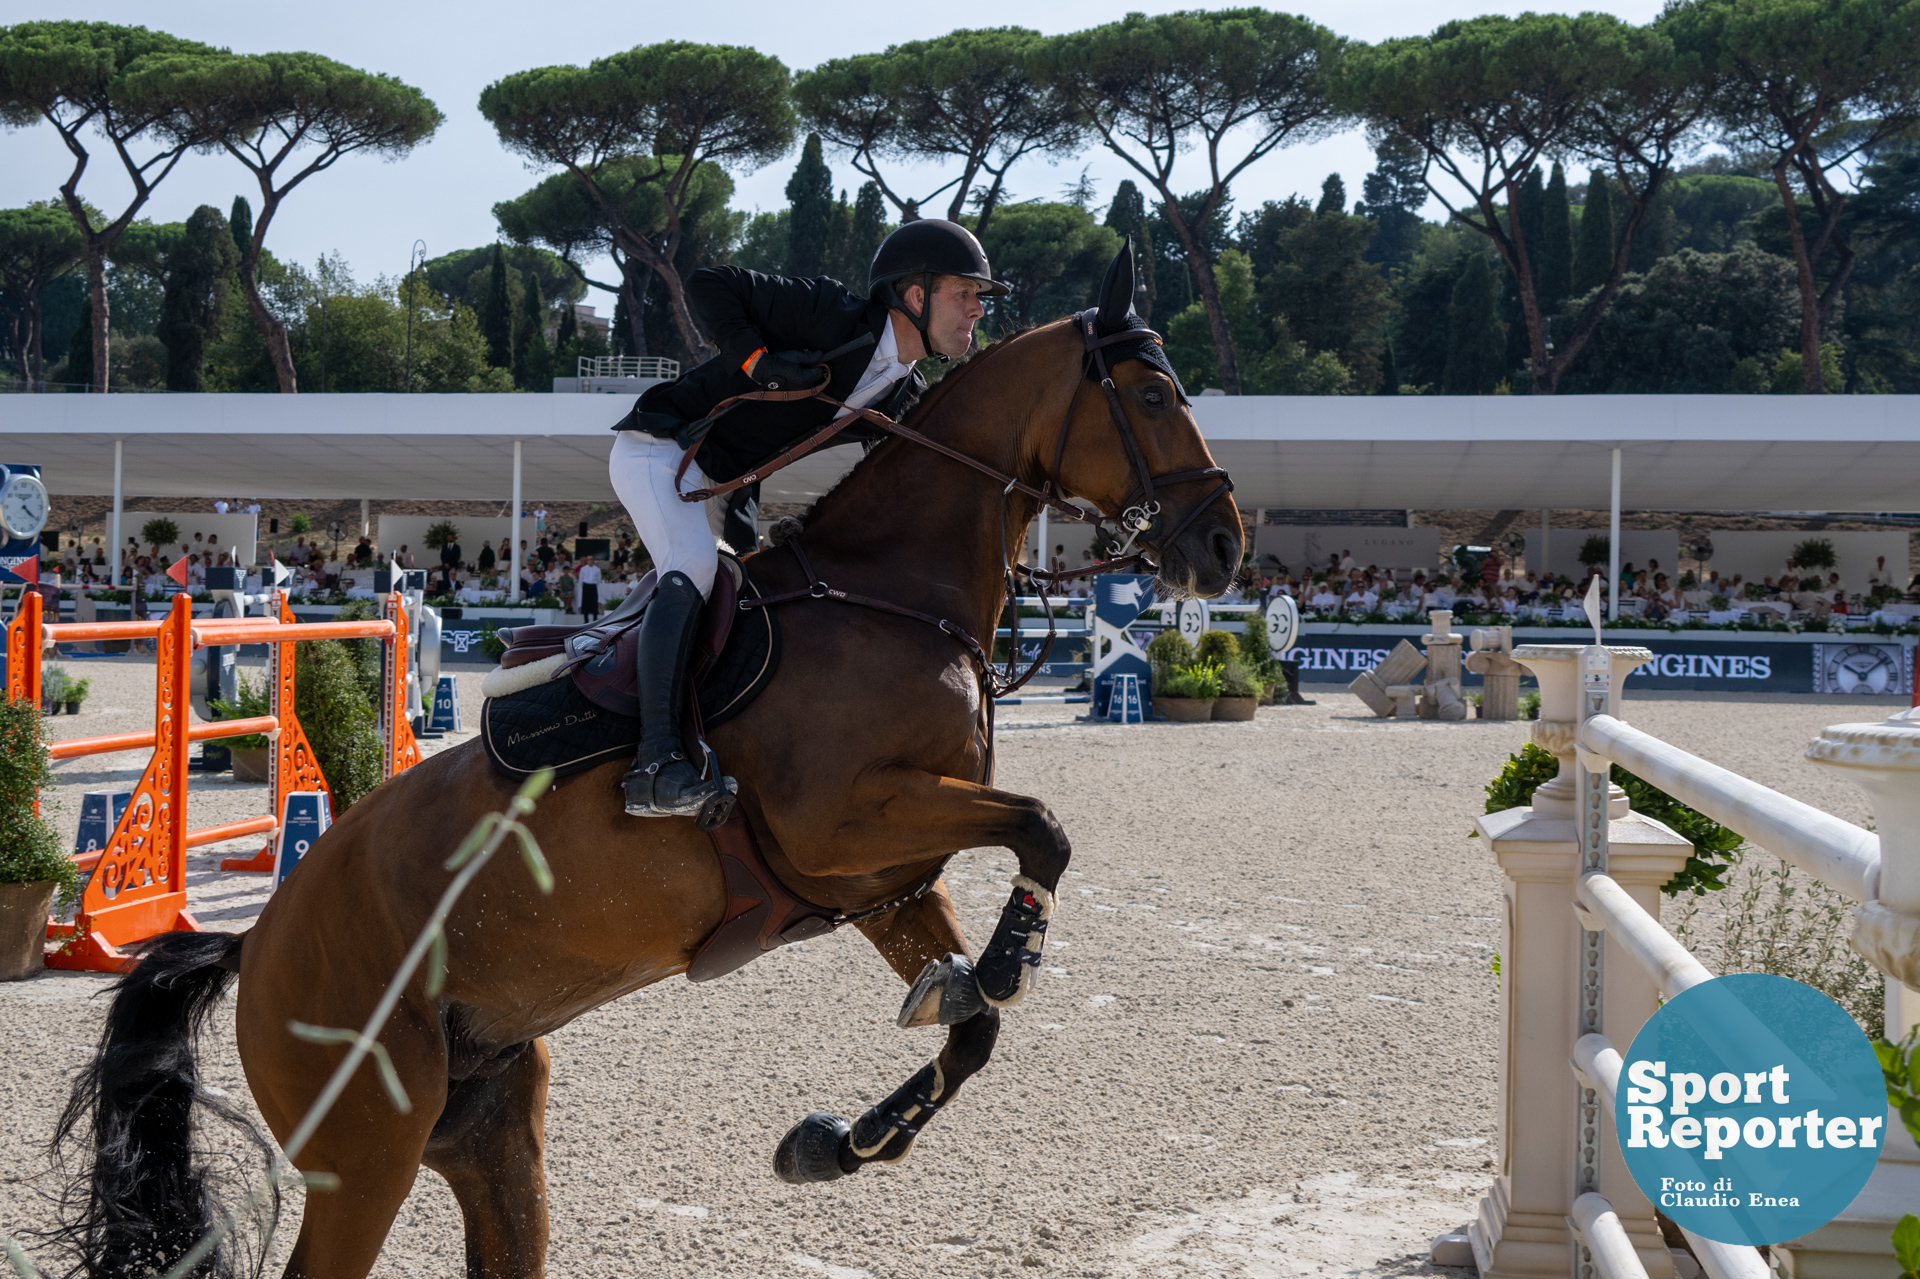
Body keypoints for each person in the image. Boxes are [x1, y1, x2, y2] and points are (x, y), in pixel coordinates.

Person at [606, 219, 1001, 818]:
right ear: (915, 296)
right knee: (691, 564)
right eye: (965, 293)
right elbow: (710, 283)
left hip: (730, 485)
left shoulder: (900, 394)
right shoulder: (830, 315)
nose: (977, 309)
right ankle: (654, 766)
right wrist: (758, 361)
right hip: (663, 448)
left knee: (764, 593)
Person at [578, 555, 603, 622]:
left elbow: (598, 580)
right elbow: (581, 579)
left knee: (594, 602)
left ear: (593, 560)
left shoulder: (597, 569)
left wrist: (593, 585)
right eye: (588, 559)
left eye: (591, 559)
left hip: (593, 586)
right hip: (586, 586)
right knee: (585, 602)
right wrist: (584, 586)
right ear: (587, 560)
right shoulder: (583, 569)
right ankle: (586, 620)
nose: (590, 561)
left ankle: (595, 619)